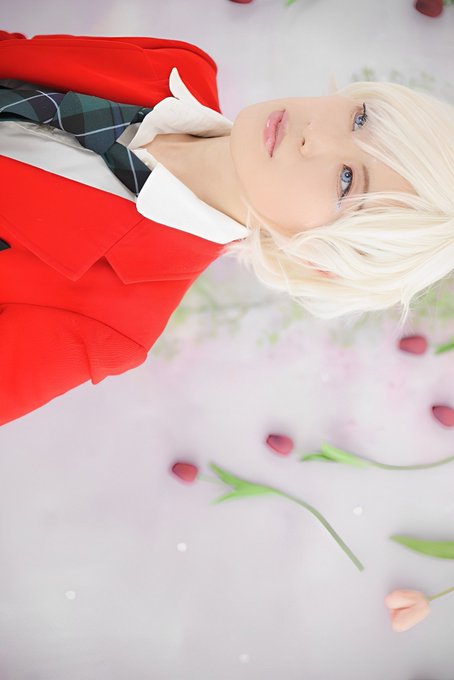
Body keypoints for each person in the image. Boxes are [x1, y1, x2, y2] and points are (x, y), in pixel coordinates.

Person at [0, 30, 453, 426]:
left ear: (316, 256)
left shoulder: (113, 321)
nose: (316, 133)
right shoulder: (179, 65)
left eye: (347, 180)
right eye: (361, 119)